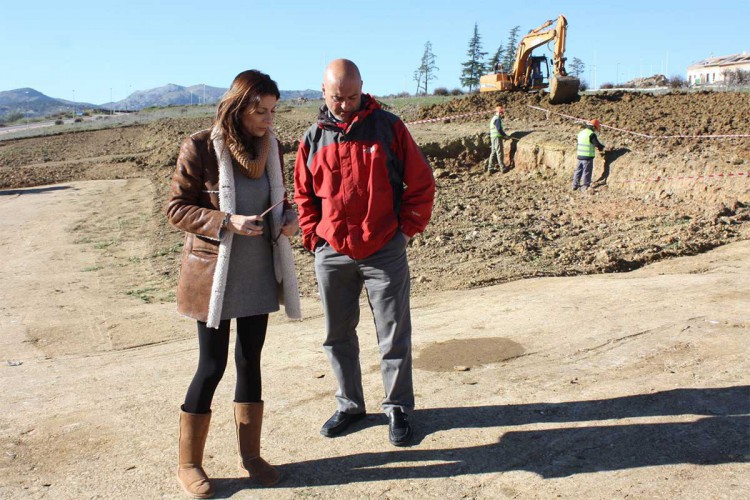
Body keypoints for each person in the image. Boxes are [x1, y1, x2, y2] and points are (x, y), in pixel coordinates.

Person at [166, 69, 301, 498]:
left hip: (258, 272)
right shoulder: (201, 146)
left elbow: (277, 198)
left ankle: (251, 456)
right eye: (260, 110)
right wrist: (225, 221)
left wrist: (288, 218)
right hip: (215, 278)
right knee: (212, 366)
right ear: (238, 106)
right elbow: (176, 209)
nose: (268, 118)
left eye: (273, 110)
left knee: (251, 361)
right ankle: (189, 464)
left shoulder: (271, 148)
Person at [294, 59, 435, 447]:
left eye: (352, 96)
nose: (345, 104)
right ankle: (350, 405)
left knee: (393, 334)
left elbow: (421, 183)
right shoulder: (312, 138)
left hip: (383, 249)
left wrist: (405, 231)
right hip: (333, 251)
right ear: (323, 92)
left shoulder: (389, 128)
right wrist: (314, 238)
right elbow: (303, 195)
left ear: (362, 89)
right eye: (338, 97)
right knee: (337, 334)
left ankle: (398, 408)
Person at [573, 118, 606, 191]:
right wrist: (602, 147)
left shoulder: (581, 133)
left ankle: (575, 185)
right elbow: (596, 144)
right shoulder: (591, 134)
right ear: (594, 127)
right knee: (587, 172)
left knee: (578, 171)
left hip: (580, 156)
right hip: (587, 156)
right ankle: (585, 187)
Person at [487, 106, 510, 173]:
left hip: (493, 137)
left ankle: (490, 169)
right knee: (499, 152)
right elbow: (499, 129)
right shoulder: (497, 119)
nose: (502, 114)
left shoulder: (493, 118)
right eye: (502, 112)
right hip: (497, 137)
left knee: (493, 152)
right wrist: (505, 136)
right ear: (499, 112)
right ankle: (502, 168)